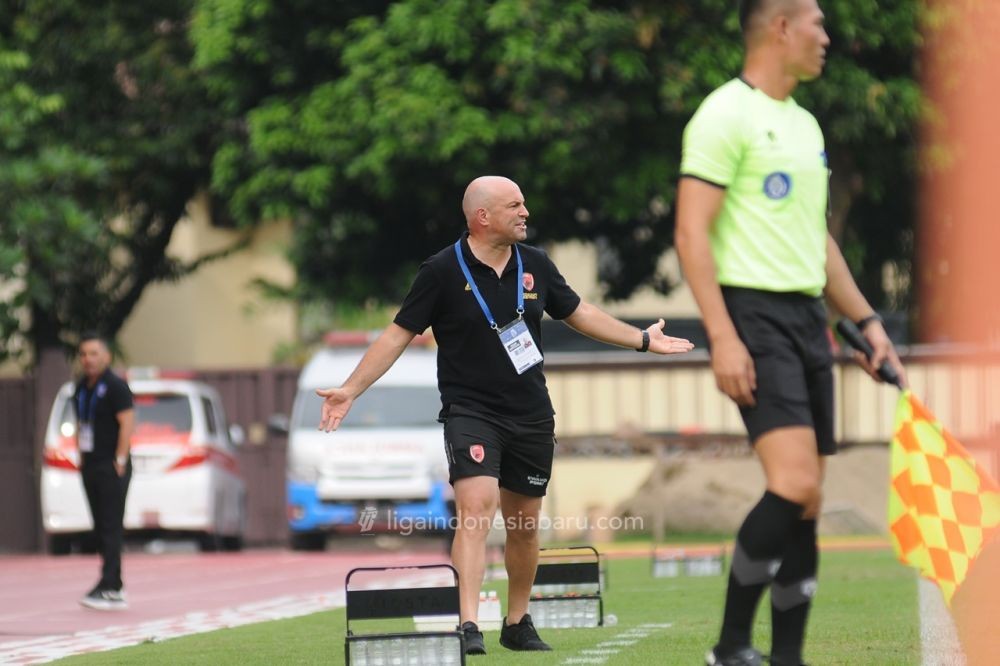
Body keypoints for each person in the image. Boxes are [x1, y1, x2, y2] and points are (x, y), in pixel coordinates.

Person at [318, 175, 694, 655]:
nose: (525, 213)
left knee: (524, 524)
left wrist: (642, 339)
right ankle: (468, 624)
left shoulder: (535, 264)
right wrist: (351, 389)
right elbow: (397, 335)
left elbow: (580, 313)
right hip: (470, 411)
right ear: (482, 217)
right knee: (476, 510)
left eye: (524, 205)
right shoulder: (440, 270)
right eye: (514, 205)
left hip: (531, 414)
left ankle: (517, 622)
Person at [675, 1, 907, 665]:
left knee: (809, 501)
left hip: (810, 319)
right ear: (781, 28)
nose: (826, 38)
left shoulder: (805, 125)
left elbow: (820, 241)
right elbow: (691, 233)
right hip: (753, 316)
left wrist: (867, 323)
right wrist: (721, 335)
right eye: (817, 23)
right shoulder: (724, 114)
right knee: (796, 482)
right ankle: (729, 647)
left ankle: (788, 657)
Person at [74, 332, 134, 611]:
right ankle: (112, 582)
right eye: (84, 354)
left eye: (94, 353)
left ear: (106, 356)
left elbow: (126, 423)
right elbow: (80, 424)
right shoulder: (81, 388)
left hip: (111, 465)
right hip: (91, 463)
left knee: (111, 526)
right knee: (99, 527)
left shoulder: (115, 387)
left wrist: (120, 459)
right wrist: (80, 457)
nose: (88, 359)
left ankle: (110, 584)